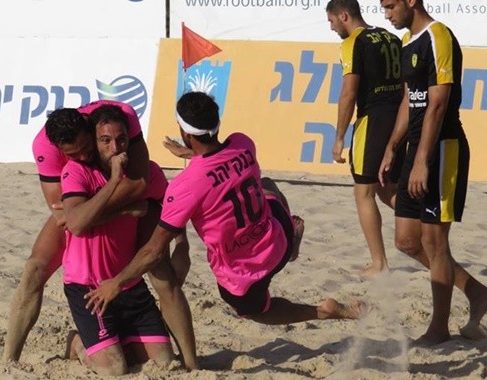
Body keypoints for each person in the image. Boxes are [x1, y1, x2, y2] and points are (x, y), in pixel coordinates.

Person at [85, 91, 364, 328]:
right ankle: (292, 238)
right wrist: (191, 153)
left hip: (244, 272)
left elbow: (153, 250)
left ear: (185, 133)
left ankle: (321, 311)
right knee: (266, 184)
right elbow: (219, 160)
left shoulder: (184, 186)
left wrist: (116, 282)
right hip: (277, 238)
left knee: (255, 311)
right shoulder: (243, 143)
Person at [3, 101, 198, 369]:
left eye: (86, 148)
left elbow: (143, 184)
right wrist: (125, 210)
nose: (84, 156)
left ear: (90, 133)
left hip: (111, 205)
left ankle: (190, 363)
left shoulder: (122, 119)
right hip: (87, 215)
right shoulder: (58, 157)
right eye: (73, 153)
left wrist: (182, 245)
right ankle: (8, 360)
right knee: (34, 268)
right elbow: (68, 219)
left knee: (162, 272)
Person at [378, 0, 487, 344]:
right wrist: (393, 145)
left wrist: (423, 159)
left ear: (411, 1)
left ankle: (439, 329)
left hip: (443, 148)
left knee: (434, 241)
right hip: (417, 148)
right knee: (406, 241)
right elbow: (409, 99)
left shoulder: (438, 36)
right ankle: (476, 291)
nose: (386, 14)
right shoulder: (407, 41)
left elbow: (438, 104)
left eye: (390, 6)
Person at [61, 104, 175, 375]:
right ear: (94, 141)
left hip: (128, 283)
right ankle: (77, 342)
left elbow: (175, 211)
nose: (115, 147)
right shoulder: (76, 171)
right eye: (105, 140)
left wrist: (181, 247)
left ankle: (113, 339)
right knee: (114, 371)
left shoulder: (144, 173)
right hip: (89, 286)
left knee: (163, 363)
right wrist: (114, 185)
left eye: (121, 139)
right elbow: (76, 223)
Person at [326, 0, 405, 276]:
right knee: (386, 188)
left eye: (331, 21)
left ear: (343, 16)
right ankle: (428, 229)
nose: (331, 27)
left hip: (373, 121)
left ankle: (379, 264)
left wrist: (339, 137)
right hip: (398, 119)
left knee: (363, 192)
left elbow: (348, 93)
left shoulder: (353, 43)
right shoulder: (390, 37)